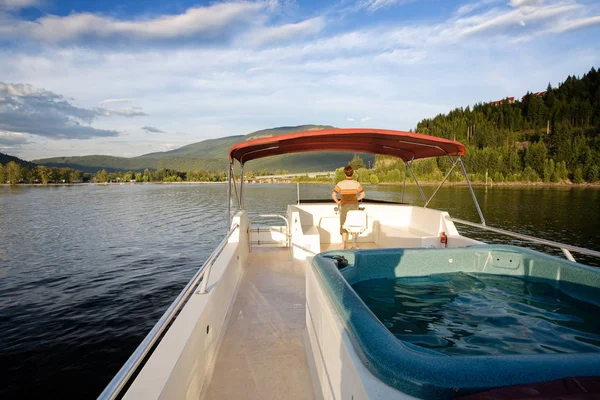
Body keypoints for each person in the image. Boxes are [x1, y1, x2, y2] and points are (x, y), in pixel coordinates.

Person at [331, 165, 365, 249]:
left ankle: (344, 244)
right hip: (354, 206)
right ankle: (355, 243)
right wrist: (356, 199)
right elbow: (363, 194)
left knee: (343, 224)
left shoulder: (340, 184)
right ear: (352, 174)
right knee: (354, 223)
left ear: (344, 173)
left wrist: (338, 202)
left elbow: (333, 195)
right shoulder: (356, 183)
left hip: (344, 206)